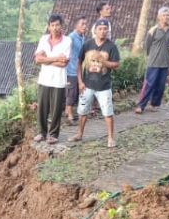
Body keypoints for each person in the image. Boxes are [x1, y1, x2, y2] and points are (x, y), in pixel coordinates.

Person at [69, 19, 121, 148]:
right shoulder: (87, 45)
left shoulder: (111, 46)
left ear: (107, 31)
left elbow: (116, 65)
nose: (103, 31)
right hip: (87, 85)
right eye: (100, 29)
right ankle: (79, 134)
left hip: (104, 86)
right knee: (82, 111)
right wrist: (80, 81)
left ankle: (110, 138)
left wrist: (104, 62)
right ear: (95, 31)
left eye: (105, 29)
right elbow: (79, 63)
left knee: (108, 112)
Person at [33, 14, 72, 144]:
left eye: (57, 25)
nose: (55, 28)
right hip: (44, 78)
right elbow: (38, 60)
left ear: (61, 26)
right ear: (49, 27)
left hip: (59, 80)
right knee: (42, 107)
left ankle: (53, 134)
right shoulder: (43, 39)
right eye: (52, 25)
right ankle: (42, 133)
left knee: (56, 109)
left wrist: (46, 59)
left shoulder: (67, 41)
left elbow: (64, 63)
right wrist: (56, 58)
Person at [134, 6, 169, 115]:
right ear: (159, 17)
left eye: (167, 15)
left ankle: (154, 104)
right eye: (164, 15)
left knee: (161, 85)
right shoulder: (153, 30)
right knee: (149, 84)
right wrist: (151, 56)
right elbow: (147, 45)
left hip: (165, 62)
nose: (166, 17)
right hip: (153, 62)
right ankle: (141, 105)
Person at [64, 17, 88, 126]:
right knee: (71, 93)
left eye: (85, 24)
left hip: (79, 69)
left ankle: (68, 111)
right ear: (76, 26)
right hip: (70, 70)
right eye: (82, 24)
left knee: (78, 92)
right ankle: (69, 116)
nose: (85, 26)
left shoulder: (83, 37)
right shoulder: (71, 38)